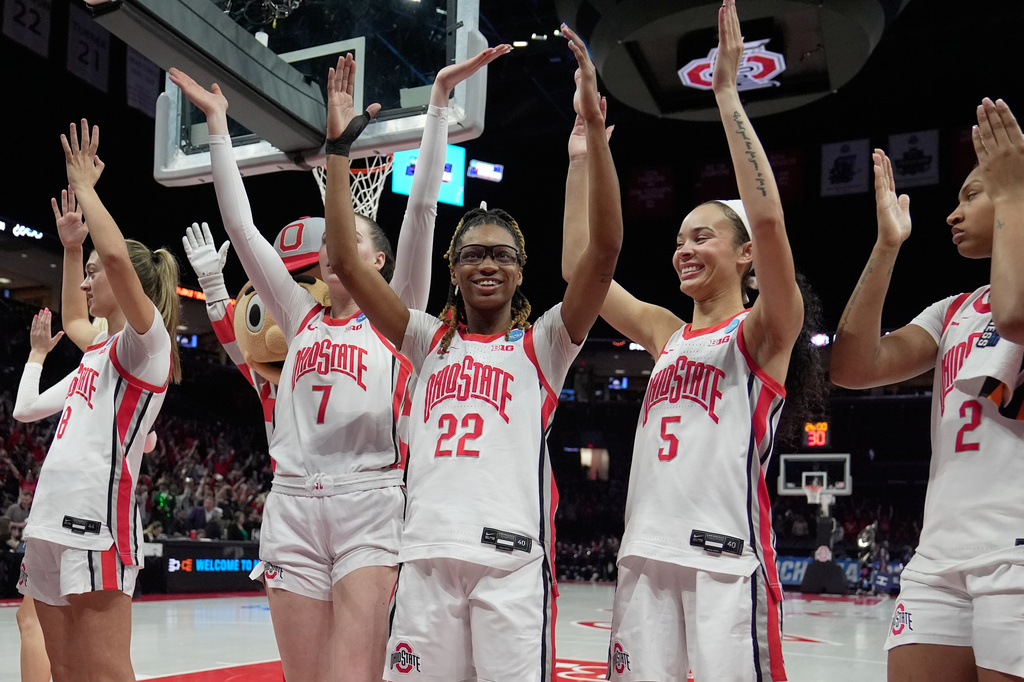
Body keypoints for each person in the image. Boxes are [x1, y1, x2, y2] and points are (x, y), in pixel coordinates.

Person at [168, 45, 510, 682]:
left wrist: (437, 106)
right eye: (328, 242)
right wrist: (217, 128)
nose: (333, 248)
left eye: (348, 239)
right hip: (292, 502)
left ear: (375, 261)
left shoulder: (398, 317)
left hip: (370, 504)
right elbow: (242, 231)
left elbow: (423, 212)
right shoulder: (297, 315)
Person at [323, 26, 620, 680]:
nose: (487, 264)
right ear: (452, 269)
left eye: (502, 255)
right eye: (473, 254)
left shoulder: (544, 345)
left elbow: (601, 257)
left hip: (511, 568)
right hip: (426, 560)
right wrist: (338, 152)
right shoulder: (426, 340)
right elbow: (344, 258)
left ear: (520, 271)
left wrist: (593, 142)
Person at [561, 3, 824, 679]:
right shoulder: (665, 332)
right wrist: (582, 156)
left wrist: (729, 98)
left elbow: (768, 223)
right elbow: (576, 271)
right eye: (678, 240)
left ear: (743, 259)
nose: (683, 250)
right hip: (647, 555)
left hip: (726, 560)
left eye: (701, 236)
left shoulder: (764, 333)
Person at [831, 98, 1024, 682]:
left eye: (973, 193)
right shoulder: (955, 310)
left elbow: (1014, 317)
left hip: (1015, 549)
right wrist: (887, 245)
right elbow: (852, 364)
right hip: (938, 554)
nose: (952, 212)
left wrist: (1014, 192)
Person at [13, 120, 181, 681]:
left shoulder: (146, 345)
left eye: (93, 274)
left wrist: (87, 189)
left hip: (97, 518)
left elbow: (112, 263)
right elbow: (74, 320)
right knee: (64, 670)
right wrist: (70, 247)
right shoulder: (99, 348)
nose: (86, 282)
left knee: (103, 671)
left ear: (126, 280)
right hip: (49, 518)